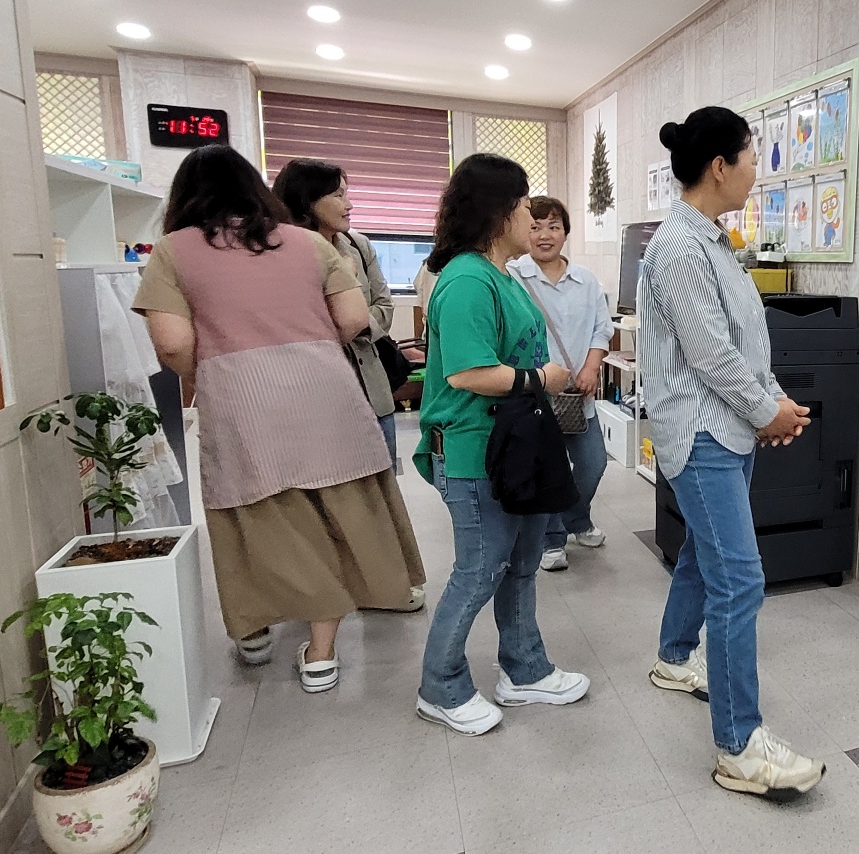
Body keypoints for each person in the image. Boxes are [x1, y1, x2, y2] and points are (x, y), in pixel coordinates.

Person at [132, 145, 424, 693]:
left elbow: (171, 343)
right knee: (335, 511)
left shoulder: (174, 251)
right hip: (327, 393)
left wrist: (216, 365)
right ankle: (321, 654)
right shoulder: (308, 242)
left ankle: (256, 631)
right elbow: (356, 317)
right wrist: (306, 347)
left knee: (257, 516)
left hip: (240, 399)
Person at [641, 106, 825, 799]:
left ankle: (671, 657)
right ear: (719, 166)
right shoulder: (681, 248)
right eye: (751, 158)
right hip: (705, 433)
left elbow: (748, 340)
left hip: (732, 428)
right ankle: (739, 747)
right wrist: (764, 409)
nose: (757, 171)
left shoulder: (714, 240)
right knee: (739, 581)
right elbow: (710, 353)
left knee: (703, 555)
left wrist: (773, 404)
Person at [413, 154, 590, 737]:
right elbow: (467, 373)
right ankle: (440, 687)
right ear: (498, 213)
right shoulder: (466, 278)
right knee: (480, 569)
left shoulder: (501, 275)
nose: (530, 217)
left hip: (516, 445)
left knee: (520, 565)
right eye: (521, 207)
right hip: (474, 449)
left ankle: (525, 669)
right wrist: (542, 379)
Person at [273, 157, 425, 612]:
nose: (350, 204)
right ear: (306, 199)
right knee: (309, 494)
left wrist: (355, 328)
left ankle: (381, 584)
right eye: (338, 194)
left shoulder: (357, 245)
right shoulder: (275, 249)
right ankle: (315, 593)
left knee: (376, 487)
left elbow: (381, 304)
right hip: (302, 389)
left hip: (366, 379)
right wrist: (326, 335)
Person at [509, 196, 613, 572]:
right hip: (535, 394)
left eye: (553, 226)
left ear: (566, 232)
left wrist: (592, 367)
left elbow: (602, 329)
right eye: (535, 226)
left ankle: (576, 519)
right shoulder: (513, 276)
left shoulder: (585, 280)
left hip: (577, 394)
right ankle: (553, 539)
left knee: (593, 463)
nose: (544, 235)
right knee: (547, 469)